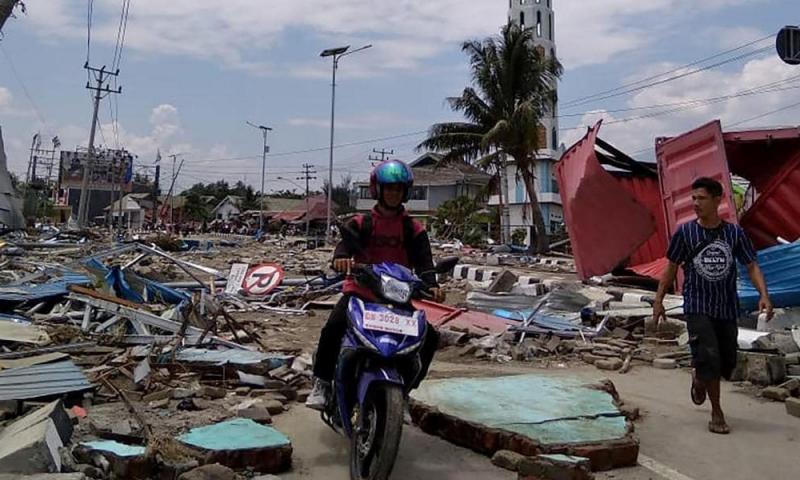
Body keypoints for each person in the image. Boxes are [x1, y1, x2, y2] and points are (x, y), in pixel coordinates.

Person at [305, 159, 445, 410]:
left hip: (397, 299)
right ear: (377, 190)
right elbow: (344, 246)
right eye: (389, 188)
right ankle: (322, 383)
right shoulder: (361, 223)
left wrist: (432, 284)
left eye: (398, 189)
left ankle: (405, 392)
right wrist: (340, 259)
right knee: (333, 327)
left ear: (405, 192)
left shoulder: (413, 228)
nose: (393, 193)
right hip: (361, 293)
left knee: (430, 337)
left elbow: (425, 262)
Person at [653, 177, 772, 435]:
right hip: (697, 304)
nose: (695, 203)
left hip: (726, 306)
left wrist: (764, 294)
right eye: (693, 198)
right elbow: (671, 268)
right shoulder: (685, 233)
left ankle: (700, 376)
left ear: (718, 200)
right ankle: (717, 411)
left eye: (702, 198)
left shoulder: (734, 234)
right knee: (710, 355)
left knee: (727, 362)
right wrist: (659, 300)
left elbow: (751, 265)